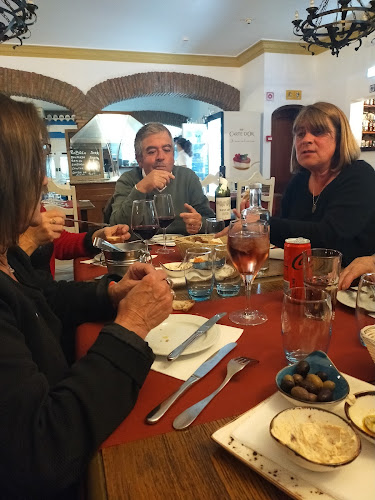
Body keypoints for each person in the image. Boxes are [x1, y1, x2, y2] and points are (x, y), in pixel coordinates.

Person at [0, 94, 173, 499]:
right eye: (34, 168)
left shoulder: (8, 257)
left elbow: (47, 299)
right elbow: (44, 454)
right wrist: (131, 325)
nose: (44, 181)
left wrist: (113, 293)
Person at [239, 102, 375, 267]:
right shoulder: (298, 181)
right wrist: (249, 229)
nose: (306, 140)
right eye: (300, 134)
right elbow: (287, 238)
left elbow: (330, 238)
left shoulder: (360, 175)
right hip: (301, 275)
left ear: (340, 138)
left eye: (318, 132)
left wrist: (261, 224)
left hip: (350, 283)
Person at [110, 123, 215, 234]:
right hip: (142, 249)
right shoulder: (128, 180)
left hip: (181, 249)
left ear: (173, 156)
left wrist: (200, 224)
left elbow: (210, 221)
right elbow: (116, 226)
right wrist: (140, 188)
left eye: (166, 150)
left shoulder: (188, 178)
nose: (160, 157)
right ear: (139, 159)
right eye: (152, 152)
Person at [19, 205, 130, 277]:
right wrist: (30, 240)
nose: (45, 180)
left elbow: (60, 243)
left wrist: (97, 237)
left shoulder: (29, 201)